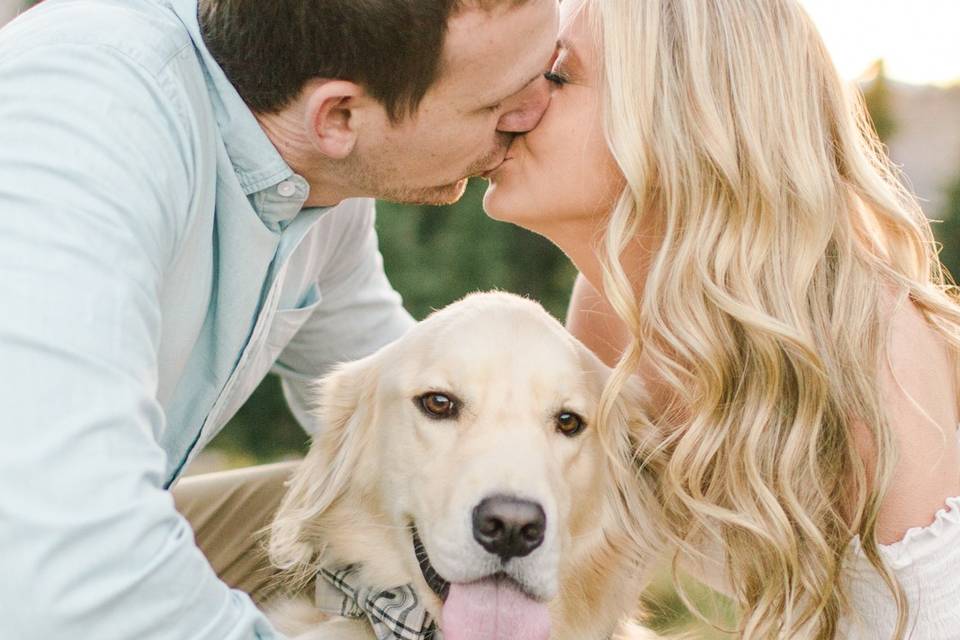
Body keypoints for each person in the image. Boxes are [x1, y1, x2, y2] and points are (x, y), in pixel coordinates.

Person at [0, 0, 559, 637]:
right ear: (340, 116)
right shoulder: (87, 127)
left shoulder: (321, 180)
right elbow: (64, 549)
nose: (534, 114)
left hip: (60, 526)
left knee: (395, 501)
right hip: (38, 540)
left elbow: (397, 403)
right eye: (498, 102)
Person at [483, 0, 960, 637]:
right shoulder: (613, 311)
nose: (513, 108)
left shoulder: (871, 360)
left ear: (677, 118)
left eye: (559, 77)